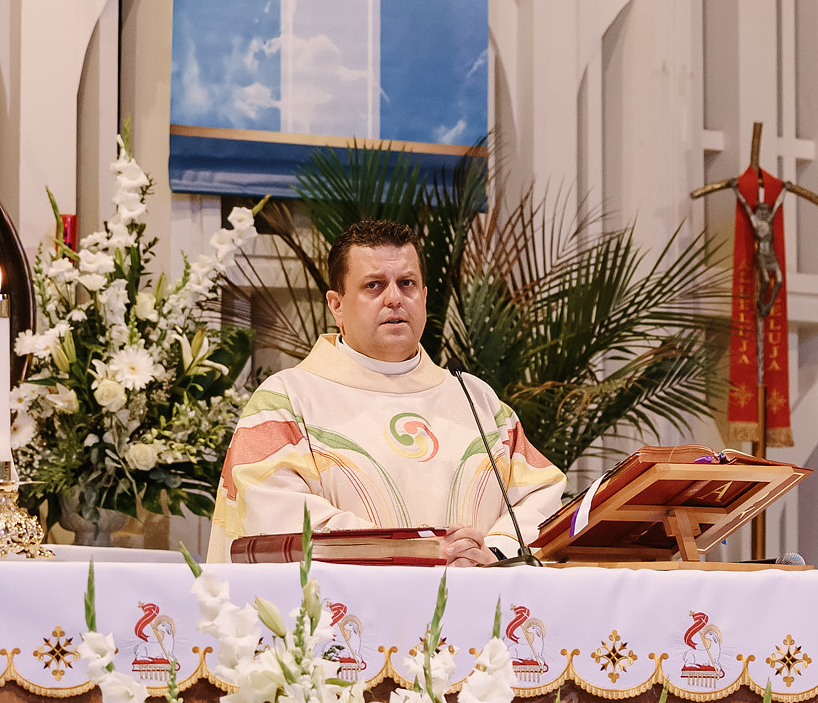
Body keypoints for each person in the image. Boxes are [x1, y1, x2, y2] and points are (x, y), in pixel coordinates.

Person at [211, 218, 564, 565]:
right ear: (336, 305)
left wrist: (495, 551)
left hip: (475, 608)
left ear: (424, 298)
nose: (394, 298)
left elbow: (541, 498)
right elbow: (275, 520)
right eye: (374, 286)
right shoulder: (287, 402)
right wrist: (419, 554)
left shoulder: (475, 399)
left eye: (407, 283)